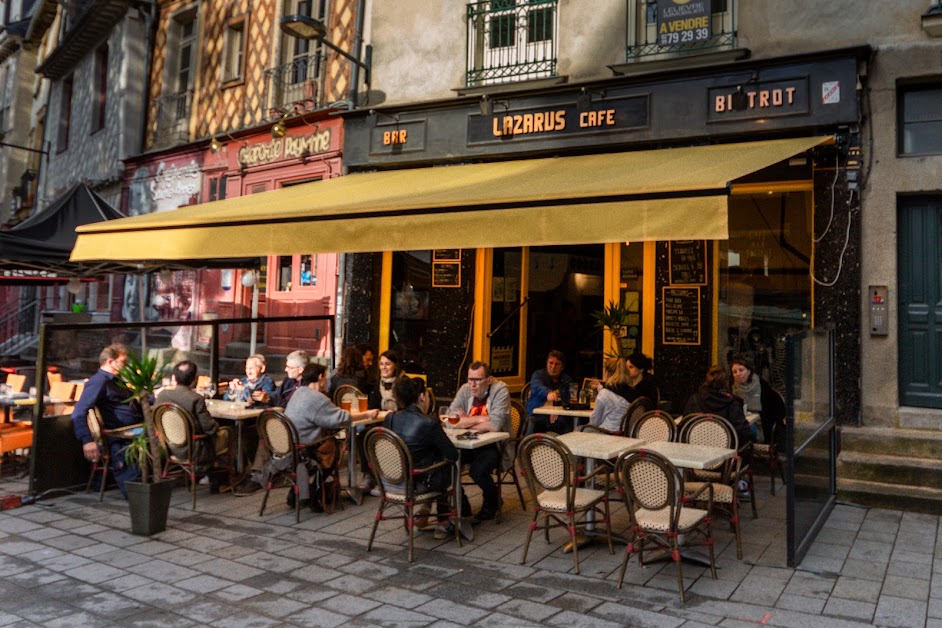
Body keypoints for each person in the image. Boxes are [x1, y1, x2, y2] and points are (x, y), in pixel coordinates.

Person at [234, 364, 378, 505]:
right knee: (334, 448)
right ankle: (314, 490)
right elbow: (341, 418)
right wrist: (367, 414)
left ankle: (301, 491)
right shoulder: (318, 398)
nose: (327, 381)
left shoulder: (298, 392)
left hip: (286, 450)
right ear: (320, 377)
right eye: (326, 377)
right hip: (304, 452)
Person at [382, 377, 458, 539]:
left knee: (431, 461)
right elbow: (452, 454)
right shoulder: (428, 422)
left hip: (392, 481)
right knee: (446, 465)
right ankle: (443, 520)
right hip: (418, 484)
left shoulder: (390, 418)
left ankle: (426, 509)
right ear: (423, 396)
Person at [70, 344, 143, 498]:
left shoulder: (116, 381)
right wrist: (87, 440)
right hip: (120, 433)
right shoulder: (99, 382)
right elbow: (78, 413)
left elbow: (132, 399)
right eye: (123, 362)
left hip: (133, 427)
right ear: (111, 362)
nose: (127, 365)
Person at [447, 361, 511, 524]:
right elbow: (448, 420)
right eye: (470, 379)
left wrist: (464, 420)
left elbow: (494, 425)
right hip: (467, 443)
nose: (472, 385)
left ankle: (493, 501)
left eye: (477, 380)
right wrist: (480, 419)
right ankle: (464, 507)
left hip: (494, 446)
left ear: (489, 380)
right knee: (446, 464)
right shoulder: (465, 389)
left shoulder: (500, 390)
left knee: (478, 470)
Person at [155, 360, 231, 491]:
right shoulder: (195, 399)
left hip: (167, 446)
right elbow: (210, 428)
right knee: (229, 431)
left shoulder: (162, 395)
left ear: (173, 378)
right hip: (194, 450)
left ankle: (208, 474)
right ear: (194, 379)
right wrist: (217, 425)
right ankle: (221, 476)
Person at [684, 364, 753, 448]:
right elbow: (742, 433)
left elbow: (685, 426)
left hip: (696, 453)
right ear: (726, 382)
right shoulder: (733, 403)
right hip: (726, 456)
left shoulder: (694, 400)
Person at [730, 354, 786, 447]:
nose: (738, 374)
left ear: (749, 371)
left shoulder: (761, 385)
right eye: (734, 372)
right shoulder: (731, 387)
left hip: (760, 424)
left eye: (741, 370)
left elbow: (776, 403)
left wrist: (783, 416)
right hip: (739, 422)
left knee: (741, 432)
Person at [525, 350, 574, 434]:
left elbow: (567, 400)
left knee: (568, 422)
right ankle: (527, 446)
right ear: (546, 363)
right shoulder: (538, 375)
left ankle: (564, 446)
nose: (553, 367)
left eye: (557, 364)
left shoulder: (566, 380)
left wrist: (556, 411)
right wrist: (548, 393)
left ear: (562, 367)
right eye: (550, 363)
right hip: (537, 414)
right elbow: (537, 387)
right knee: (532, 421)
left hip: (558, 415)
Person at [589, 358, 631, 432]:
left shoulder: (605, 394)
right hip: (624, 434)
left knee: (578, 429)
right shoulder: (631, 390)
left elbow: (594, 422)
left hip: (606, 433)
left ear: (607, 372)